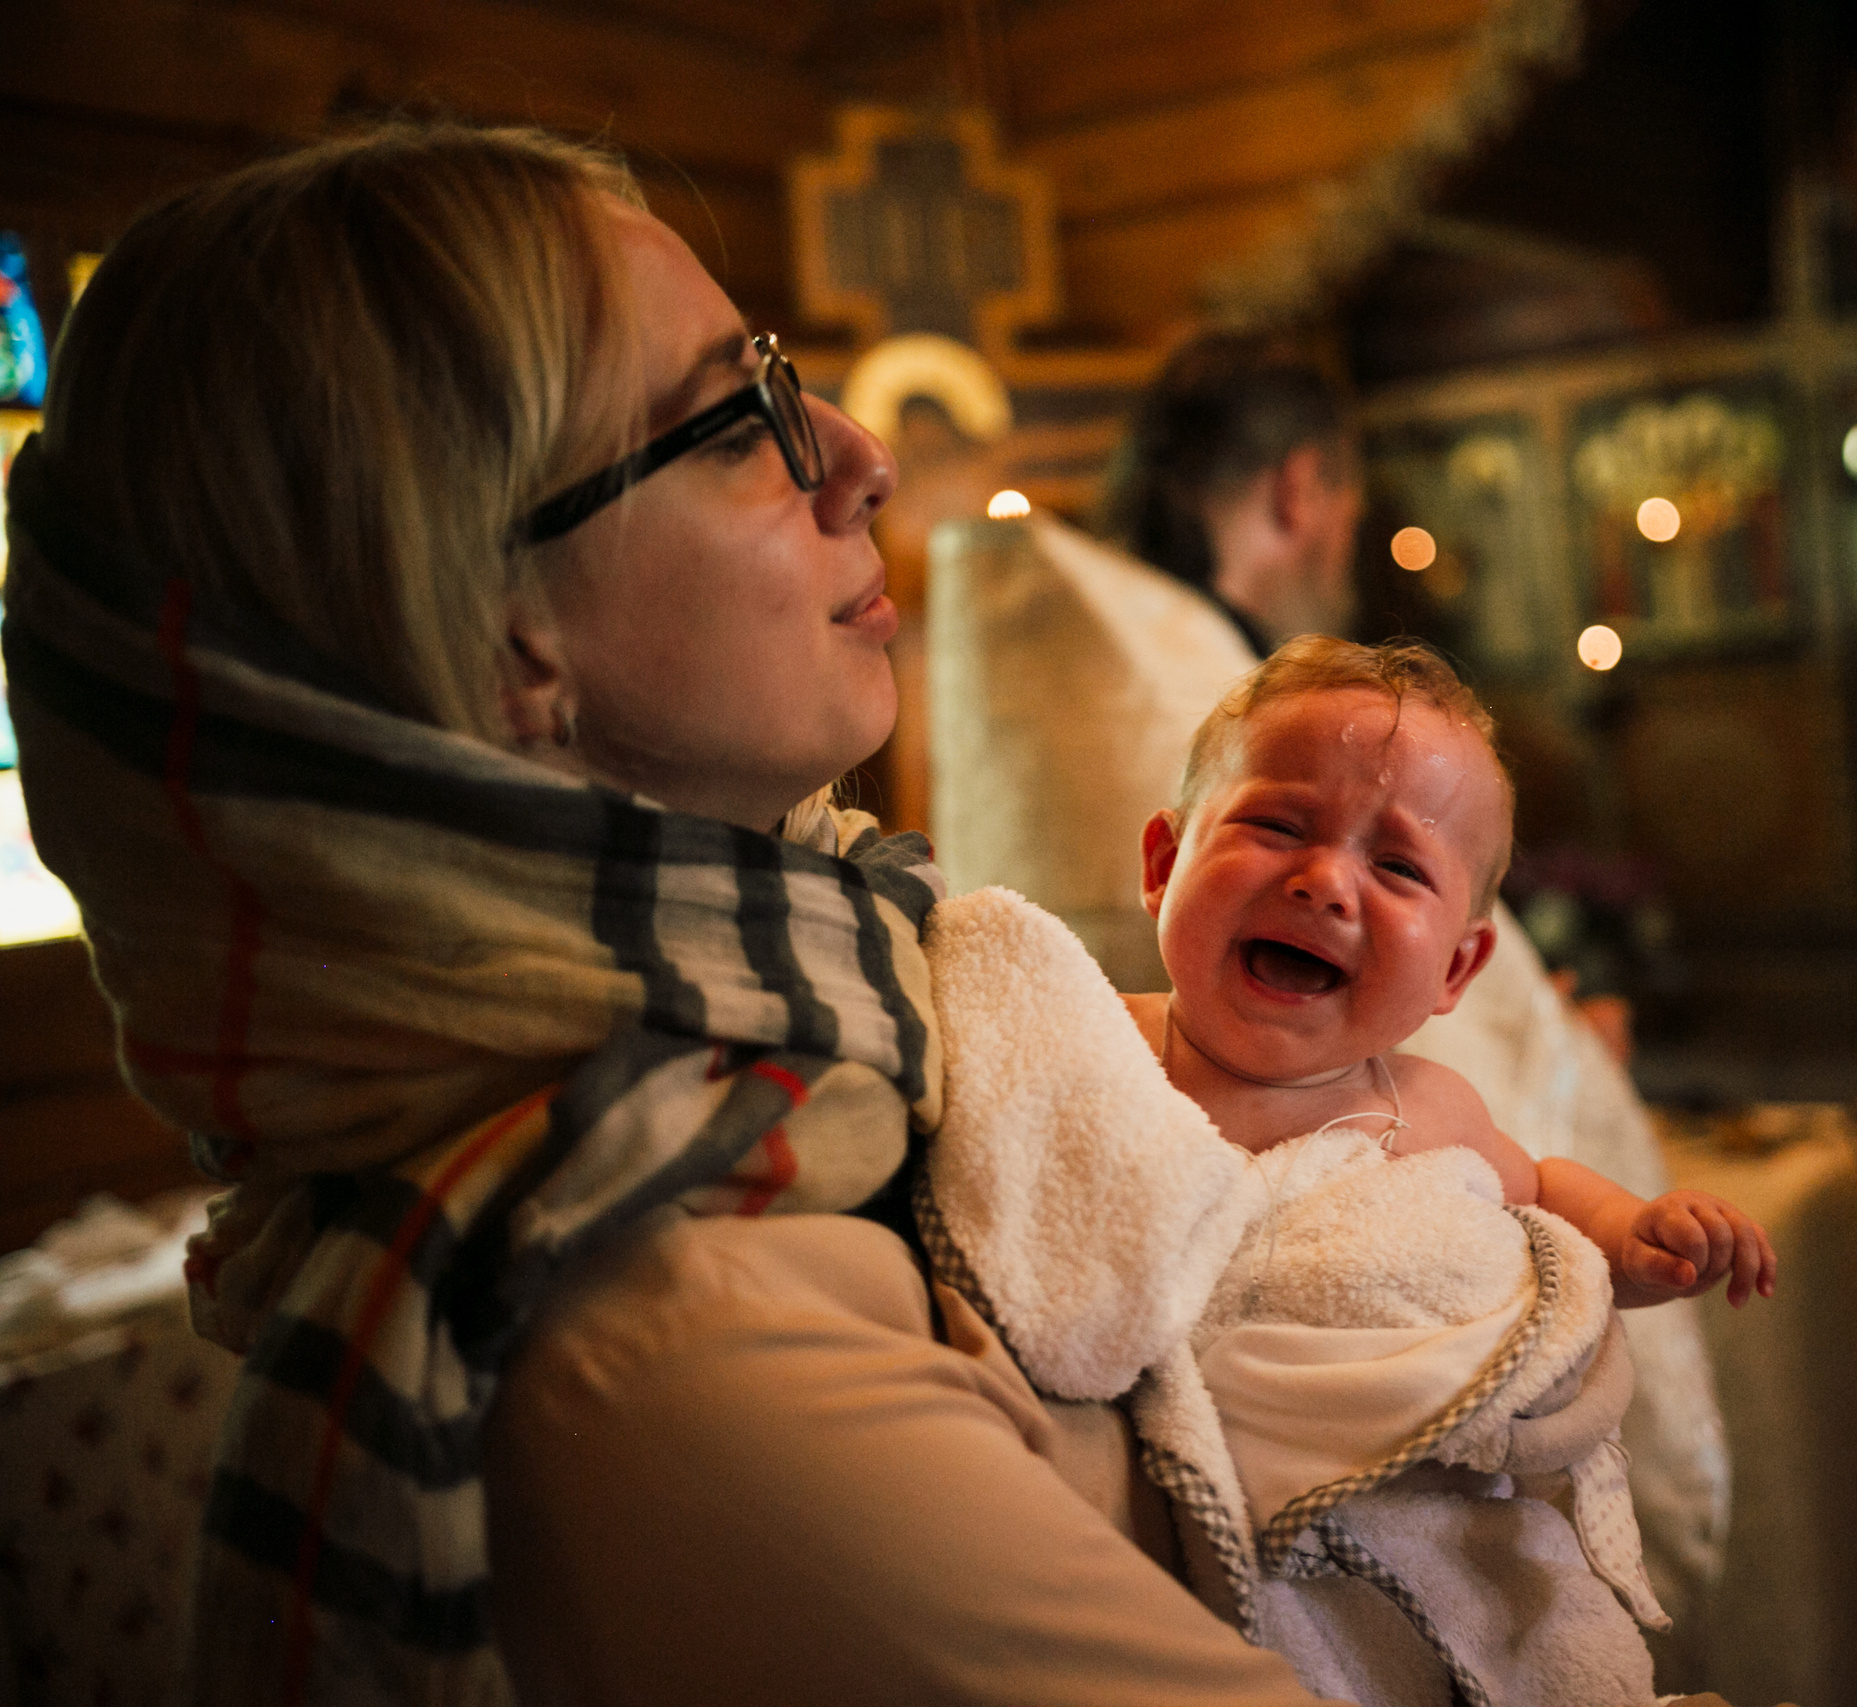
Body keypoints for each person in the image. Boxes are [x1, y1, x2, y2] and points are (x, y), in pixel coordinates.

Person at [2, 121, 1337, 1707]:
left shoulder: (838, 1048)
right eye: (731, 421)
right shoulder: (673, 1340)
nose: (859, 454)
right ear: (503, 641)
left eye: (780, 373)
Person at [1124, 635, 1776, 1308]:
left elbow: (1545, 1200)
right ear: (1165, 865)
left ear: (1455, 969)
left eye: (1398, 866)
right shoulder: (1095, 1038)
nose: (1324, 883)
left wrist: (1633, 1236)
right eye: (1278, 826)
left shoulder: (1428, 1111)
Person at [1096, 331, 1365, 656]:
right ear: (1298, 487)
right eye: (1350, 520)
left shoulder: (1099, 649)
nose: (1346, 560)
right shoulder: (1240, 694)